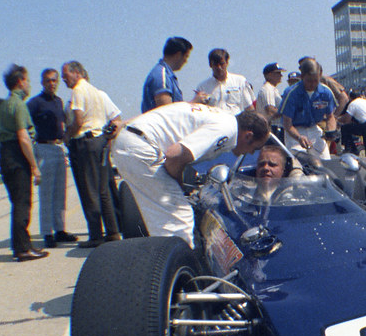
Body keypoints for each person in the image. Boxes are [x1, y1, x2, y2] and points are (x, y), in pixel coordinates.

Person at [110, 103, 270, 246]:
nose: (250, 153)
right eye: (254, 148)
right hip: (142, 147)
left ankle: (164, 263)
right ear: (248, 135)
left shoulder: (220, 117)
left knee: (160, 218)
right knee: (179, 219)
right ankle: (179, 271)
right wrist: (179, 186)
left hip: (130, 141)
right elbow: (173, 156)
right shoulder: (226, 129)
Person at [62, 60, 120, 248]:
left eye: (66, 75)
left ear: (76, 73)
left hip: (85, 142)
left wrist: (67, 135)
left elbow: (78, 120)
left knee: (89, 190)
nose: (64, 79)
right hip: (100, 140)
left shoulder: (78, 90)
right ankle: (112, 232)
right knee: (104, 190)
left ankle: (95, 235)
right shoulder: (95, 91)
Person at [0, 64, 46, 262]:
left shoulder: (2, 106)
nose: (29, 85)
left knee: (17, 203)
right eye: (28, 80)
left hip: (5, 154)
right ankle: (23, 249)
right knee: (23, 204)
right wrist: (34, 166)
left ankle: (22, 245)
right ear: (20, 82)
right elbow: (24, 137)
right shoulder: (19, 105)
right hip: (17, 155)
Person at [26, 68, 77, 248]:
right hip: (44, 147)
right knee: (46, 194)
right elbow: (25, 123)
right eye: (48, 81)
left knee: (60, 192)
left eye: (54, 80)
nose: (52, 84)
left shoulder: (58, 102)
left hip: (57, 147)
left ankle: (60, 229)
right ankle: (47, 233)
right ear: (42, 83)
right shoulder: (35, 103)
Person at [280, 58, 338, 162]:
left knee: (324, 161)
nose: (312, 84)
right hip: (294, 130)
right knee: (297, 162)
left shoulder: (326, 92)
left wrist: (331, 130)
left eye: (316, 80)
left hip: (314, 128)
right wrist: (299, 137)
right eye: (309, 81)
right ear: (302, 77)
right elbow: (287, 123)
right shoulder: (291, 93)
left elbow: (330, 116)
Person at [193, 48, 255, 114]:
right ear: (210, 65)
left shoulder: (240, 81)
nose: (219, 67)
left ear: (227, 63)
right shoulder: (202, 87)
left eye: (222, 64)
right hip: (214, 122)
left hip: (235, 121)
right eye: (216, 65)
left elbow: (249, 107)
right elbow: (198, 111)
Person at [141, 36, 193, 113]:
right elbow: (166, 111)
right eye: (186, 56)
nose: (186, 61)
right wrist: (193, 104)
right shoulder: (161, 75)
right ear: (178, 55)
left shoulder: (167, 75)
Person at [339, 91, 366, 157]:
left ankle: (351, 149)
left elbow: (347, 120)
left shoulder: (352, 103)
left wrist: (337, 119)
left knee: (345, 128)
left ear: (350, 98)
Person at [255, 63, 286, 140]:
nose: (281, 75)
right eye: (278, 73)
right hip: (272, 128)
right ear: (269, 75)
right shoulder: (267, 89)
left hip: (276, 127)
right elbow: (270, 110)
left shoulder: (273, 89)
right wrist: (288, 112)